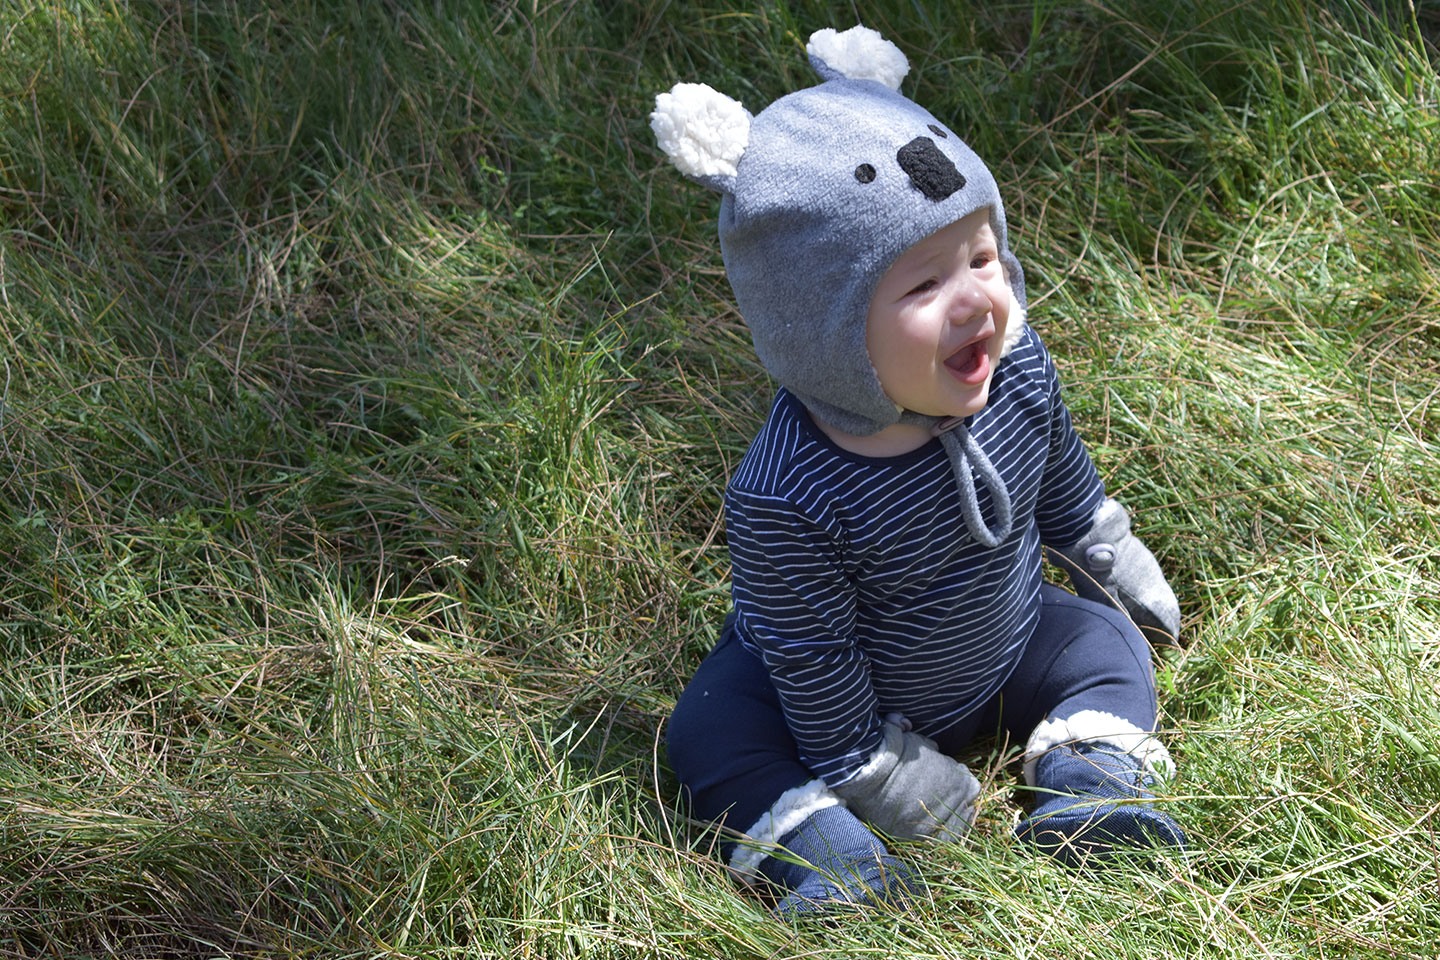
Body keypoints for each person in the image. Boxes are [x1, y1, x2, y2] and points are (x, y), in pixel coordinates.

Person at [651, 25, 1187, 916]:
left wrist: (1111, 559)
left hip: (1001, 645)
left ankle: (1091, 793)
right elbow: (816, 669)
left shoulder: (1015, 367)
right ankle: (830, 861)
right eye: (922, 286)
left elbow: (1063, 485)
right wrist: (881, 768)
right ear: (819, 330)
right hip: (832, 705)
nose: (978, 297)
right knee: (714, 731)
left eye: (982, 257)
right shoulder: (787, 495)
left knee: (1104, 645)